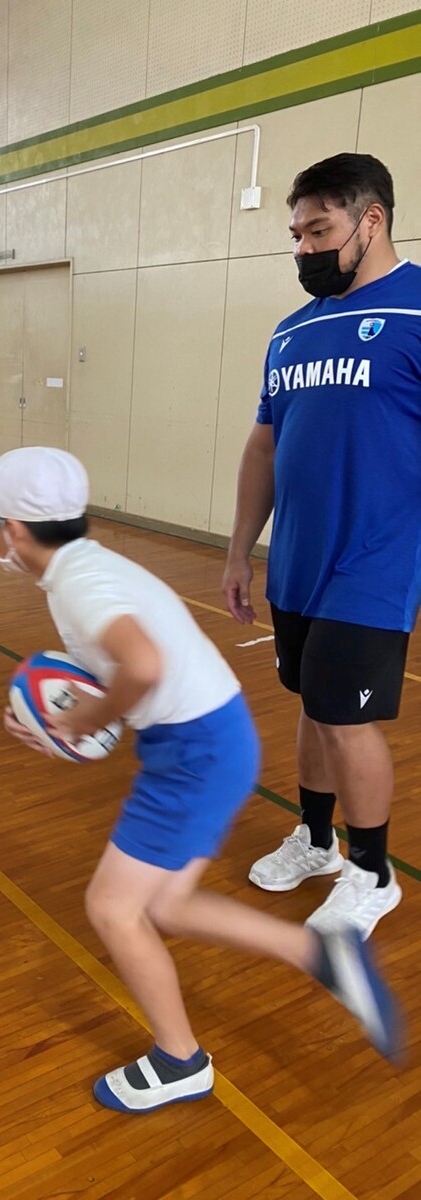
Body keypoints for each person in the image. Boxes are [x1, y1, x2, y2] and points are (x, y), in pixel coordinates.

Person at [0, 445, 401, 1113]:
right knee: (163, 905)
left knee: (113, 909)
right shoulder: (88, 565)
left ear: (13, 530)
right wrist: (73, 713)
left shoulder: (81, 584)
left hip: (197, 754)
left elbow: (141, 666)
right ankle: (320, 953)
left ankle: (180, 1060)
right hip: (212, 740)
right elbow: (133, 668)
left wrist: (82, 722)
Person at [222, 153, 420, 939]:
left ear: (370, 220)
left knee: (343, 716)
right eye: (295, 233)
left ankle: (373, 873)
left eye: (319, 230)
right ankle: (315, 839)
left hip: (377, 562)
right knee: (312, 701)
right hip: (299, 558)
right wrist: (241, 549)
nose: (303, 248)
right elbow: (265, 447)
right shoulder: (292, 331)